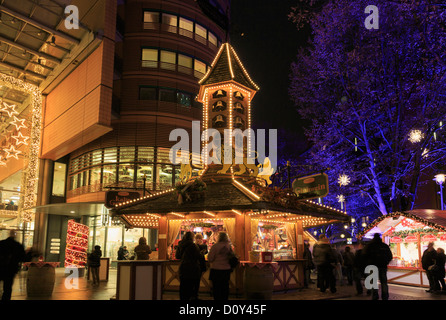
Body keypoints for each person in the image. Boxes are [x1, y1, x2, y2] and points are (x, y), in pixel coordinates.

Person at [363, 233, 393, 300]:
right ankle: (385, 296)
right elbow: (390, 256)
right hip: (383, 266)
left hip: (372, 266)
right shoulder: (384, 246)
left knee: (374, 282)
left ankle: (375, 296)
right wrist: (386, 262)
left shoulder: (369, 246)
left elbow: (364, 256)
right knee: (384, 282)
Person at [175, 232, 204, 300]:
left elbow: (177, 256)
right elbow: (198, 256)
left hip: (183, 267)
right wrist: (201, 254)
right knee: (192, 285)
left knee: (183, 285)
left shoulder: (180, 245)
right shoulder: (193, 246)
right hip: (192, 268)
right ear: (192, 238)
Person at [0, 230, 26, 300]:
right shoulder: (18, 246)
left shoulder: (1, 243)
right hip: (10, 270)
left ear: (9, 234)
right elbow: (23, 258)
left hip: (0, 268)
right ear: (15, 235)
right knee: (7, 289)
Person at [208, 232, 233, 300]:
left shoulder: (215, 246)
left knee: (216, 288)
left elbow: (210, 258)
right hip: (226, 269)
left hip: (216, 269)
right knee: (225, 286)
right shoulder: (228, 246)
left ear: (218, 238)